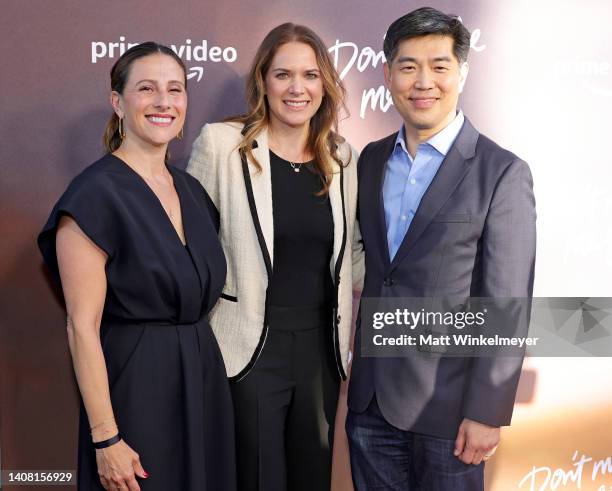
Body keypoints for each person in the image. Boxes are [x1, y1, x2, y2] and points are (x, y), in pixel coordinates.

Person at [346, 7, 536, 491]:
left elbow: (506, 303)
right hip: (369, 405)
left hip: (449, 412)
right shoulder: (369, 161)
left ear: (463, 73)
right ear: (387, 74)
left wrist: (486, 411)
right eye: (408, 66)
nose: (423, 81)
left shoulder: (501, 172)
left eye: (439, 66)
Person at [37, 42, 236, 491]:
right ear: (118, 101)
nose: (164, 102)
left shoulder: (192, 191)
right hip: (137, 387)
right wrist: (107, 438)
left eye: (175, 89)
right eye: (147, 89)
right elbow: (81, 327)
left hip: (203, 381)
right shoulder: (93, 196)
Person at [187, 22, 364, 491]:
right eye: (283, 74)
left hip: (320, 352)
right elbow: (189, 245)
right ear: (263, 80)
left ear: (324, 83)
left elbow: (352, 258)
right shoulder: (223, 145)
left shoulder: (342, 156)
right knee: (256, 479)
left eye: (309, 75)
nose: (297, 88)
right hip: (247, 344)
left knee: (312, 477)